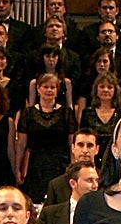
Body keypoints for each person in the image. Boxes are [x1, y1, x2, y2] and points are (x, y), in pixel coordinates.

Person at [16, 73, 76, 202]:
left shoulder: (67, 113)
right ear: (38, 89)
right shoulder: (27, 113)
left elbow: (72, 144)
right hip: (34, 167)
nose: (49, 90)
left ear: (57, 90)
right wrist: (17, 168)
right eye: (45, 87)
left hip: (60, 166)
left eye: (52, 87)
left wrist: (72, 167)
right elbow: (21, 144)